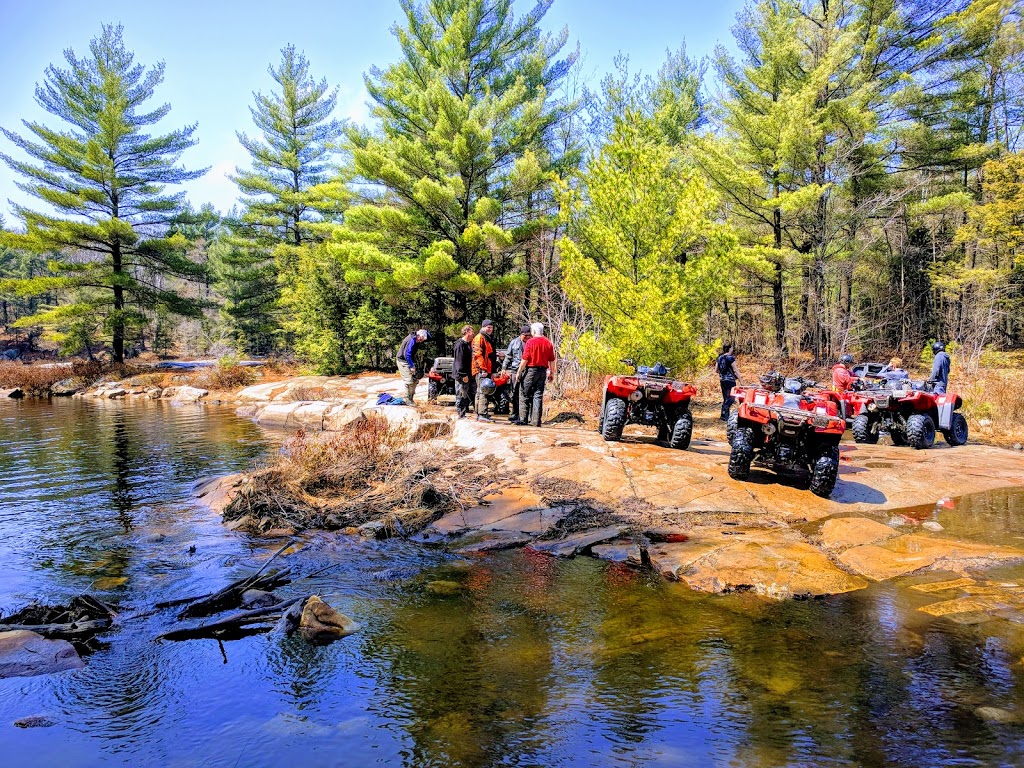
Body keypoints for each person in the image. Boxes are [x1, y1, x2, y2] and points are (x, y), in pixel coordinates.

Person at [515, 322, 556, 427]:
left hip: (531, 370)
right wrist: (552, 373)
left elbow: (525, 359)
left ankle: (523, 419)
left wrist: (519, 372)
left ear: (533, 331)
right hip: (542, 371)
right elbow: (552, 360)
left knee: (524, 393)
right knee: (538, 395)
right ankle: (536, 421)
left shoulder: (530, 342)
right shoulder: (548, 343)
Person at [502, 325, 531, 423]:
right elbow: (508, 356)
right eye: (525, 335)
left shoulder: (531, 343)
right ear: (521, 334)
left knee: (525, 393)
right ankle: (514, 413)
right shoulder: (514, 342)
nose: (526, 337)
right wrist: (504, 368)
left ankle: (524, 415)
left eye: (528, 335)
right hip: (515, 370)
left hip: (527, 371)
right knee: (514, 393)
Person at [472, 319, 498, 422]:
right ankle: (482, 414)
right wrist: (483, 369)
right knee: (483, 391)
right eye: (488, 327)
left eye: (491, 328)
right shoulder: (479, 338)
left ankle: (481, 413)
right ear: (483, 327)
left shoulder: (487, 338)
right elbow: (478, 355)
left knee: (481, 391)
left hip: (486, 369)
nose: (490, 329)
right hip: (481, 370)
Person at [395, 328, 430, 403]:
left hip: (408, 361)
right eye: (421, 339)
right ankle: (407, 399)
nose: (422, 341)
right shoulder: (412, 339)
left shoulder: (416, 339)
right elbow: (407, 354)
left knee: (415, 380)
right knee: (409, 381)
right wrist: (411, 366)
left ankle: (411, 399)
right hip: (402, 361)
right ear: (419, 335)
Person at [452, 324, 475, 418]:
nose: (473, 334)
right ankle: (461, 414)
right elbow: (459, 361)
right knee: (461, 394)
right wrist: (463, 374)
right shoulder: (460, 345)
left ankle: (464, 412)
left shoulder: (468, 344)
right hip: (461, 375)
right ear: (467, 332)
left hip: (468, 374)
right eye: (472, 332)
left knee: (466, 394)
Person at [715, 343, 741, 421]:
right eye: (732, 348)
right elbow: (736, 370)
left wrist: (723, 373)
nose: (732, 349)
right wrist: (741, 381)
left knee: (726, 398)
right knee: (732, 398)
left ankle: (724, 416)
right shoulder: (730, 358)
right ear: (729, 349)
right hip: (730, 380)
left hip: (722, 380)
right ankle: (724, 412)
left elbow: (716, 370)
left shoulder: (719, 358)